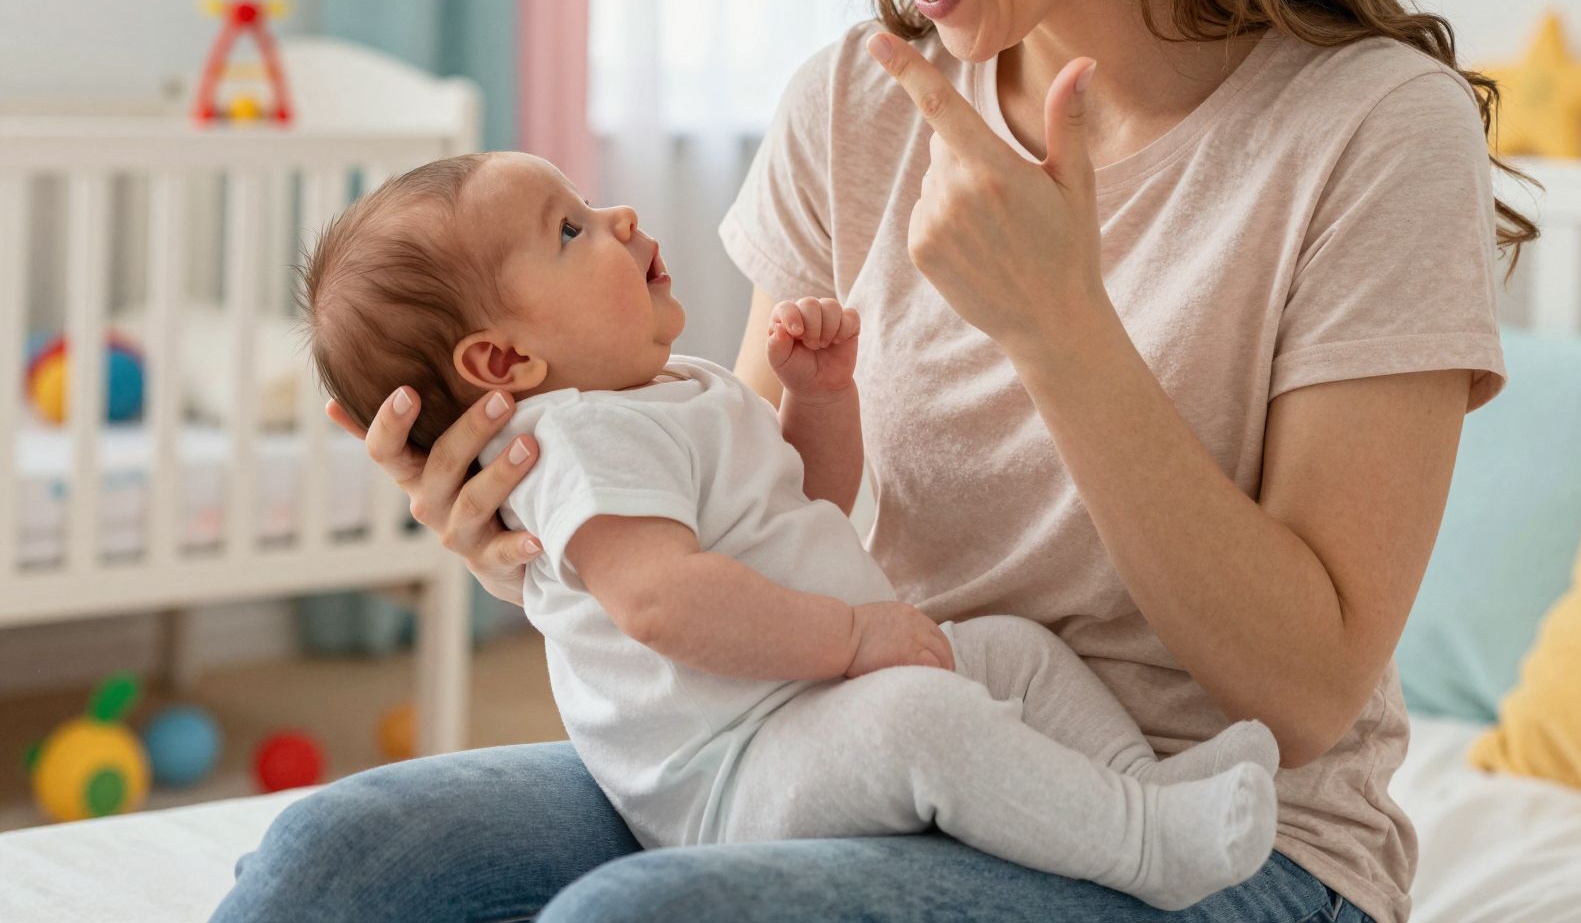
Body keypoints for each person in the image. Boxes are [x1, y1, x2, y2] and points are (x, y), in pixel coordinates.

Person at [212, 0, 1533, 923]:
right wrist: (545, 525)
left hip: (1230, 834)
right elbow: (756, 500)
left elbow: (1306, 692)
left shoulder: (1367, 131)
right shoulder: (857, 99)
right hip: (858, 737)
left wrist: (1059, 327)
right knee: (337, 863)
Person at [293, 148, 1281, 911]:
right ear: (503, 363)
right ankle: (1144, 845)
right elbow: (659, 602)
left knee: (1014, 657)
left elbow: (802, 503)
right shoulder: (579, 440)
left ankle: (1142, 790)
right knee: (919, 723)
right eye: (569, 230)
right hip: (734, 768)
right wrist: (851, 638)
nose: (618, 218)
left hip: (801, 706)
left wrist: (818, 398)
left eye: (586, 203)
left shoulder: (672, 390)